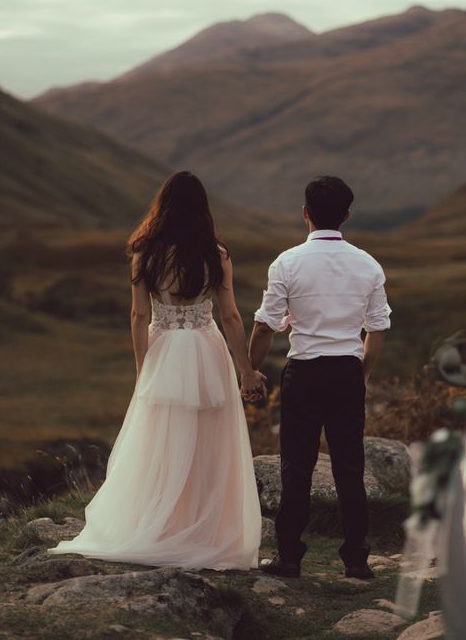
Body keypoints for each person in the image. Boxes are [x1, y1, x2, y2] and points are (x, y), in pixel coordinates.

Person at [49, 171, 264, 570]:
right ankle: (205, 532)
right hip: (206, 349)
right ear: (202, 209)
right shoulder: (216, 254)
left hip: (163, 349)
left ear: (162, 207)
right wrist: (247, 371)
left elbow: (138, 314)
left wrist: (141, 368)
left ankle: (160, 527)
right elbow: (231, 316)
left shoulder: (145, 253)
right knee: (209, 445)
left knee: (160, 442)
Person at [248, 175, 391, 579]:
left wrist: (251, 369)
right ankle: (357, 559)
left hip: (305, 372)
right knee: (350, 466)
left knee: (297, 465)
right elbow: (377, 329)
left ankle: (289, 556)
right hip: (346, 368)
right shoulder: (367, 263)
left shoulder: (287, 262)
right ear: (346, 215)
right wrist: (360, 374)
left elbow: (264, 327)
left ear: (305, 214)